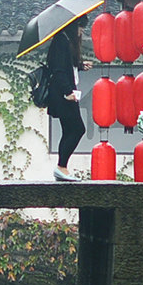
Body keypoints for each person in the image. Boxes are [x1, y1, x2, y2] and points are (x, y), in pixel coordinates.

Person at [45, 22, 86, 181]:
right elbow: (59, 70)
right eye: (81, 27)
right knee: (78, 129)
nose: (81, 31)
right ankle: (61, 167)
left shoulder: (64, 40)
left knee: (69, 130)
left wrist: (81, 66)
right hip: (64, 95)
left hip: (65, 93)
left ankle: (62, 168)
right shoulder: (61, 41)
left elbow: (67, 66)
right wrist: (68, 92)